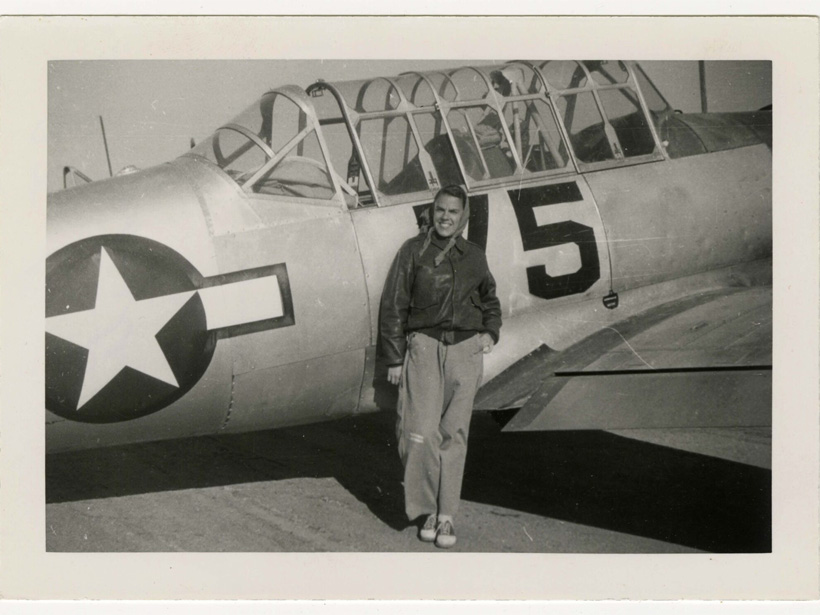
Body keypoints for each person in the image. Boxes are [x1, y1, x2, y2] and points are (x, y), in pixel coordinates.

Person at [379, 185, 502, 549]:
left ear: (463, 217)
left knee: (455, 435)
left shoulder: (474, 256)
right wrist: (394, 357)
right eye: (440, 211)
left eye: (453, 212)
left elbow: (490, 299)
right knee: (419, 433)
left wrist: (490, 333)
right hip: (424, 349)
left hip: (465, 351)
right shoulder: (412, 251)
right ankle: (426, 508)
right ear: (431, 213)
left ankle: (446, 517)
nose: (446, 217)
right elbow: (394, 305)